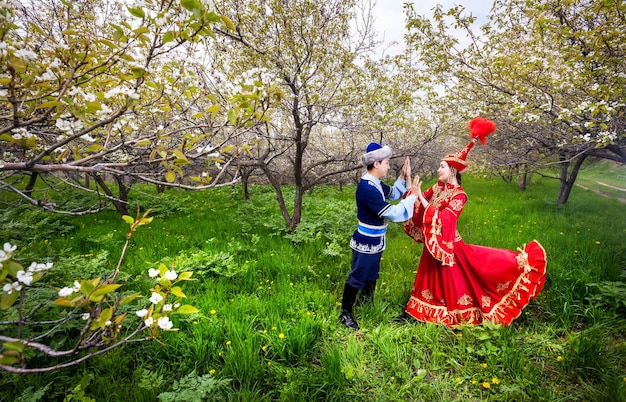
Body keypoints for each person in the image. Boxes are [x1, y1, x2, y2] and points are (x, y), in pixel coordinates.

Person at [402, 117, 547, 327]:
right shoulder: (437, 189)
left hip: (449, 246)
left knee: (461, 281)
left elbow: (445, 219)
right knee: (431, 279)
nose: (438, 170)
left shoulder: (460, 195)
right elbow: (416, 199)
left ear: (452, 170)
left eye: (441, 167)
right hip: (434, 244)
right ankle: (427, 314)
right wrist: (407, 179)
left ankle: (456, 314)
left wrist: (422, 198)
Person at [339, 142, 420, 330]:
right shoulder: (367, 188)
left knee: (371, 273)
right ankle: (345, 314)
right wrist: (412, 197)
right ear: (376, 164)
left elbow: (392, 193)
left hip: (375, 239)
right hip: (366, 240)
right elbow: (390, 212)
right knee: (358, 276)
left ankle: (366, 302)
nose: (389, 166)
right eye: (387, 162)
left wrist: (402, 177)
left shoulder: (375, 184)